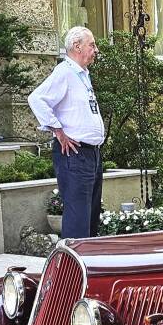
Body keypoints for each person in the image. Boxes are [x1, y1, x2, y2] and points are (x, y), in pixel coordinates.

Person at [27, 26, 105, 239]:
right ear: (77, 46)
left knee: (90, 217)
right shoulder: (65, 71)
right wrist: (58, 131)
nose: (96, 49)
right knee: (78, 218)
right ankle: (70, 269)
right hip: (75, 154)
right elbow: (37, 99)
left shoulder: (82, 74)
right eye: (92, 45)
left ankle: (87, 266)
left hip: (91, 153)